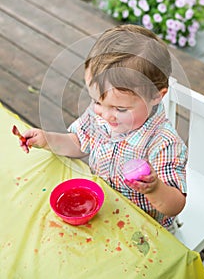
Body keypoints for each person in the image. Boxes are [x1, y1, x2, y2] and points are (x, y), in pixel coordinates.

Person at [21, 24, 188, 229]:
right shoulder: (99, 115)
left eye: (120, 108)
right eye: (98, 102)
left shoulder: (164, 143)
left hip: (147, 227)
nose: (106, 115)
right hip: (104, 207)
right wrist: (48, 139)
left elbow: (176, 205)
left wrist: (154, 189)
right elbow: (78, 142)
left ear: (156, 96)